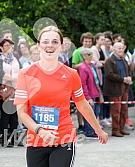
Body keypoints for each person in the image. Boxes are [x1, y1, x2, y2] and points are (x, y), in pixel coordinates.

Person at [14, 26, 108, 167]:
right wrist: (40, 131)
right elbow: (21, 113)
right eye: (45, 41)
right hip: (36, 139)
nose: (50, 45)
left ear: (61, 46)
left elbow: (82, 105)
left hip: (64, 138)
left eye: (54, 41)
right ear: (38, 45)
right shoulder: (25, 74)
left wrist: (98, 130)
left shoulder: (71, 75)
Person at [104, 42, 132, 137]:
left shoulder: (123, 59)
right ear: (114, 49)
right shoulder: (110, 61)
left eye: (122, 48)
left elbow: (128, 71)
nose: (121, 50)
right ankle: (115, 130)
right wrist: (122, 79)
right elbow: (109, 74)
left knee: (124, 110)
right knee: (116, 110)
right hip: (115, 89)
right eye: (119, 48)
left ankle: (121, 128)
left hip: (124, 88)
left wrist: (129, 77)